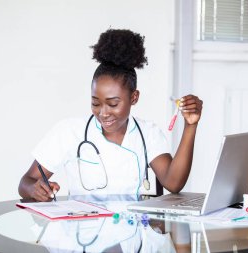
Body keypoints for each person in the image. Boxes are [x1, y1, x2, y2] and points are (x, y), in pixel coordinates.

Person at [18, 29, 203, 201]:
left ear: (134, 97)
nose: (103, 113)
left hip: (133, 232)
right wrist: (35, 189)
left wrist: (190, 126)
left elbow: (174, 183)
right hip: (83, 232)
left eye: (113, 104)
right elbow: (26, 182)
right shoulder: (69, 131)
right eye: (95, 103)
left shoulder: (148, 133)